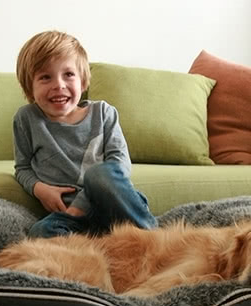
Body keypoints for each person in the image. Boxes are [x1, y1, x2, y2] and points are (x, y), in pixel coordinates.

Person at [13, 30, 157, 238]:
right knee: (40, 231)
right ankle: (96, 251)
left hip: (115, 206)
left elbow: (120, 163)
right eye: (45, 77)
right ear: (30, 86)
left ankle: (152, 234)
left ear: (82, 80)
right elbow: (22, 168)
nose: (59, 85)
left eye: (68, 75)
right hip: (70, 218)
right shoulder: (26, 119)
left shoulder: (103, 113)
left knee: (99, 173)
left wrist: (82, 202)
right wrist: (40, 189)